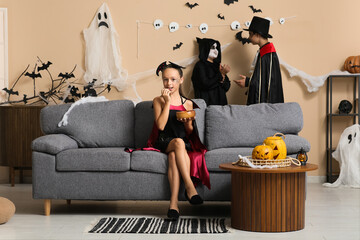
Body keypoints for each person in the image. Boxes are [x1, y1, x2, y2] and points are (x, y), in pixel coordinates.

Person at [147, 61, 210, 220]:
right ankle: (190, 187)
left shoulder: (188, 103)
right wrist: (167, 102)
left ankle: (173, 205)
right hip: (163, 140)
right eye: (166, 80)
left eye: (173, 79)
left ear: (181, 80)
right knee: (178, 143)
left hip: (180, 145)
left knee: (175, 154)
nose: (169, 83)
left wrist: (188, 123)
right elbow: (160, 126)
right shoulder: (158, 101)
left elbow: (189, 132)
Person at [234, 16, 284, 105]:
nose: (249, 37)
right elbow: (263, 78)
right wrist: (249, 80)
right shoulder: (265, 52)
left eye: (250, 34)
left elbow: (269, 84)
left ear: (257, 35)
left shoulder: (268, 55)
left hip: (266, 106)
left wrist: (248, 82)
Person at [191, 38, 231, 106]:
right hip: (207, 106)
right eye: (213, 48)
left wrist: (222, 75)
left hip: (222, 106)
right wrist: (221, 75)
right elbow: (205, 84)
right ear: (205, 49)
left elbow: (226, 86)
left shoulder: (217, 66)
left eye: (217, 48)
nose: (216, 51)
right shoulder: (200, 66)